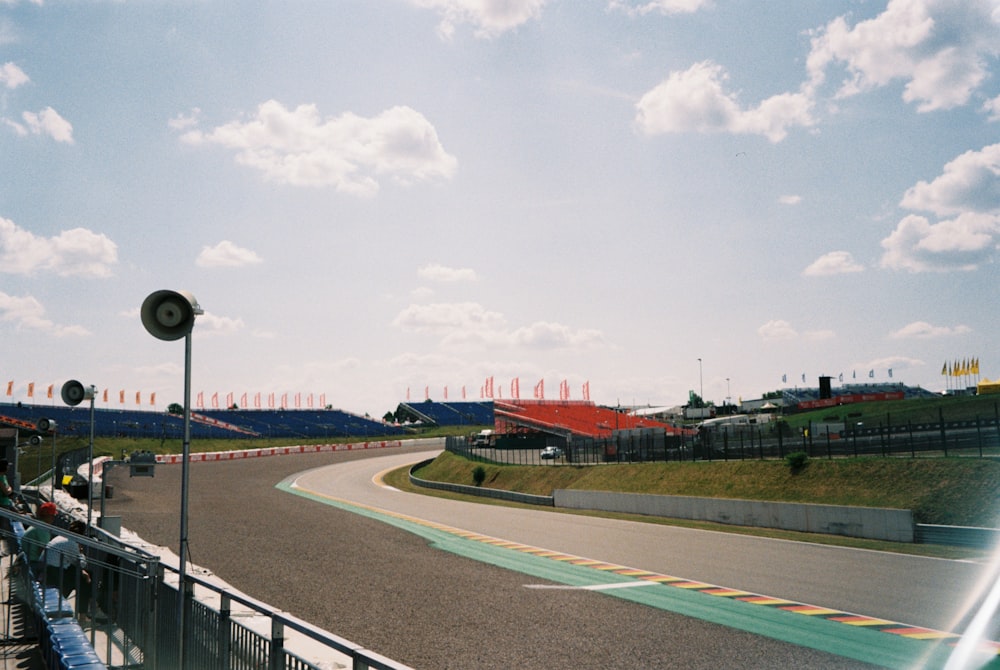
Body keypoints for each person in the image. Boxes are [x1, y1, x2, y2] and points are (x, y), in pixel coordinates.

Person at [44, 519, 92, 615]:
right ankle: (83, 613)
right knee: (84, 581)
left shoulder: (60, 537)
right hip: (54, 573)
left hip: (48, 569)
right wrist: (81, 552)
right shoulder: (72, 544)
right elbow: (81, 564)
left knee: (81, 576)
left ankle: (84, 611)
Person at [21, 502, 58, 576]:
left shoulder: (38, 524)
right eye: (53, 516)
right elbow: (43, 552)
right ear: (48, 515)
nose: (54, 518)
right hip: (32, 562)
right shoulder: (43, 528)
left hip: (27, 559)